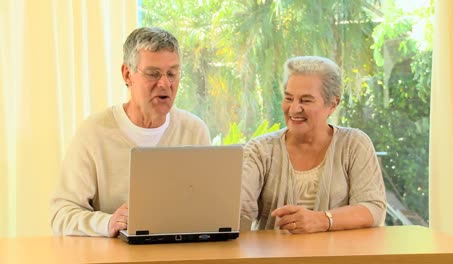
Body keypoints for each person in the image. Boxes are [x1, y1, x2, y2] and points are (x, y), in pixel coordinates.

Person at [50, 27, 211, 237]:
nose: (165, 84)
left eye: (172, 73)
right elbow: (60, 216)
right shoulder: (93, 132)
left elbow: (208, 210)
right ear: (127, 74)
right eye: (153, 74)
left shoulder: (195, 131)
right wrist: (108, 222)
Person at [241, 56, 386, 234]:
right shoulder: (259, 150)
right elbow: (239, 213)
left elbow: (373, 208)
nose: (294, 109)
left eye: (306, 100)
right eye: (288, 98)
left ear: (332, 105)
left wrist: (321, 220)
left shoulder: (354, 144)